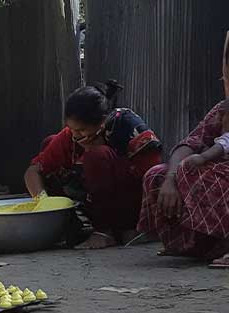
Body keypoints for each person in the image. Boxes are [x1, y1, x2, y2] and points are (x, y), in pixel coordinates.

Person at [24, 81, 163, 250]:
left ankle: (106, 232)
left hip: (132, 205)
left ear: (102, 123)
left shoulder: (128, 127)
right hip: (91, 204)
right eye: (71, 129)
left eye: (81, 131)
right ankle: (73, 226)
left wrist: (99, 157)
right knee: (51, 143)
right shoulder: (72, 136)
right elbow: (33, 171)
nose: (75, 136)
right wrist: (43, 201)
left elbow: (152, 179)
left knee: (96, 156)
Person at [138, 35, 229, 268]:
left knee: (198, 174)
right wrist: (171, 177)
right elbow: (190, 143)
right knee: (157, 174)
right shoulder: (223, 109)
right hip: (215, 167)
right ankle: (198, 245)